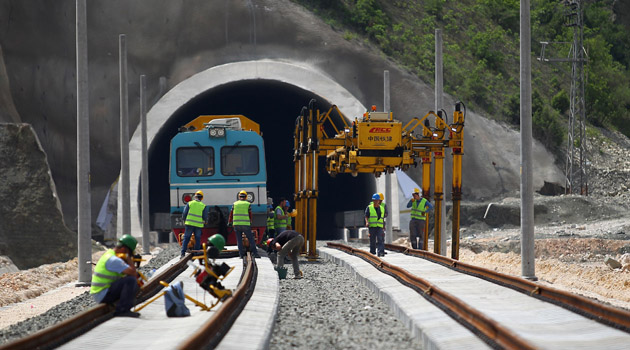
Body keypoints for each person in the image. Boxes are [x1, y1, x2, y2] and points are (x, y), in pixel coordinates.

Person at [90, 234, 141, 317]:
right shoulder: (114, 260)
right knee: (131, 280)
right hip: (102, 294)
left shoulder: (110, 254)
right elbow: (133, 273)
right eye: (129, 253)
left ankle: (120, 305)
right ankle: (122, 310)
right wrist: (128, 259)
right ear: (124, 249)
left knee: (129, 279)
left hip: (101, 292)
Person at [229, 190, 260, 258]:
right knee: (251, 239)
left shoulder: (235, 204)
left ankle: (241, 255)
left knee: (239, 240)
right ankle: (255, 254)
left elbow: (231, 214)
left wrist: (229, 222)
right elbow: (250, 214)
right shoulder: (247, 204)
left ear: (239, 196)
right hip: (245, 224)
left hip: (236, 224)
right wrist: (250, 221)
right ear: (246, 197)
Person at [181, 190, 209, 258]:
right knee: (197, 238)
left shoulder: (190, 203)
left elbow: (185, 213)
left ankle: (183, 253)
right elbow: (205, 216)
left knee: (186, 238)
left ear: (195, 197)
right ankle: (196, 253)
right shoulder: (203, 206)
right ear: (202, 198)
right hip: (198, 225)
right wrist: (205, 222)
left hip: (189, 224)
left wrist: (184, 220)